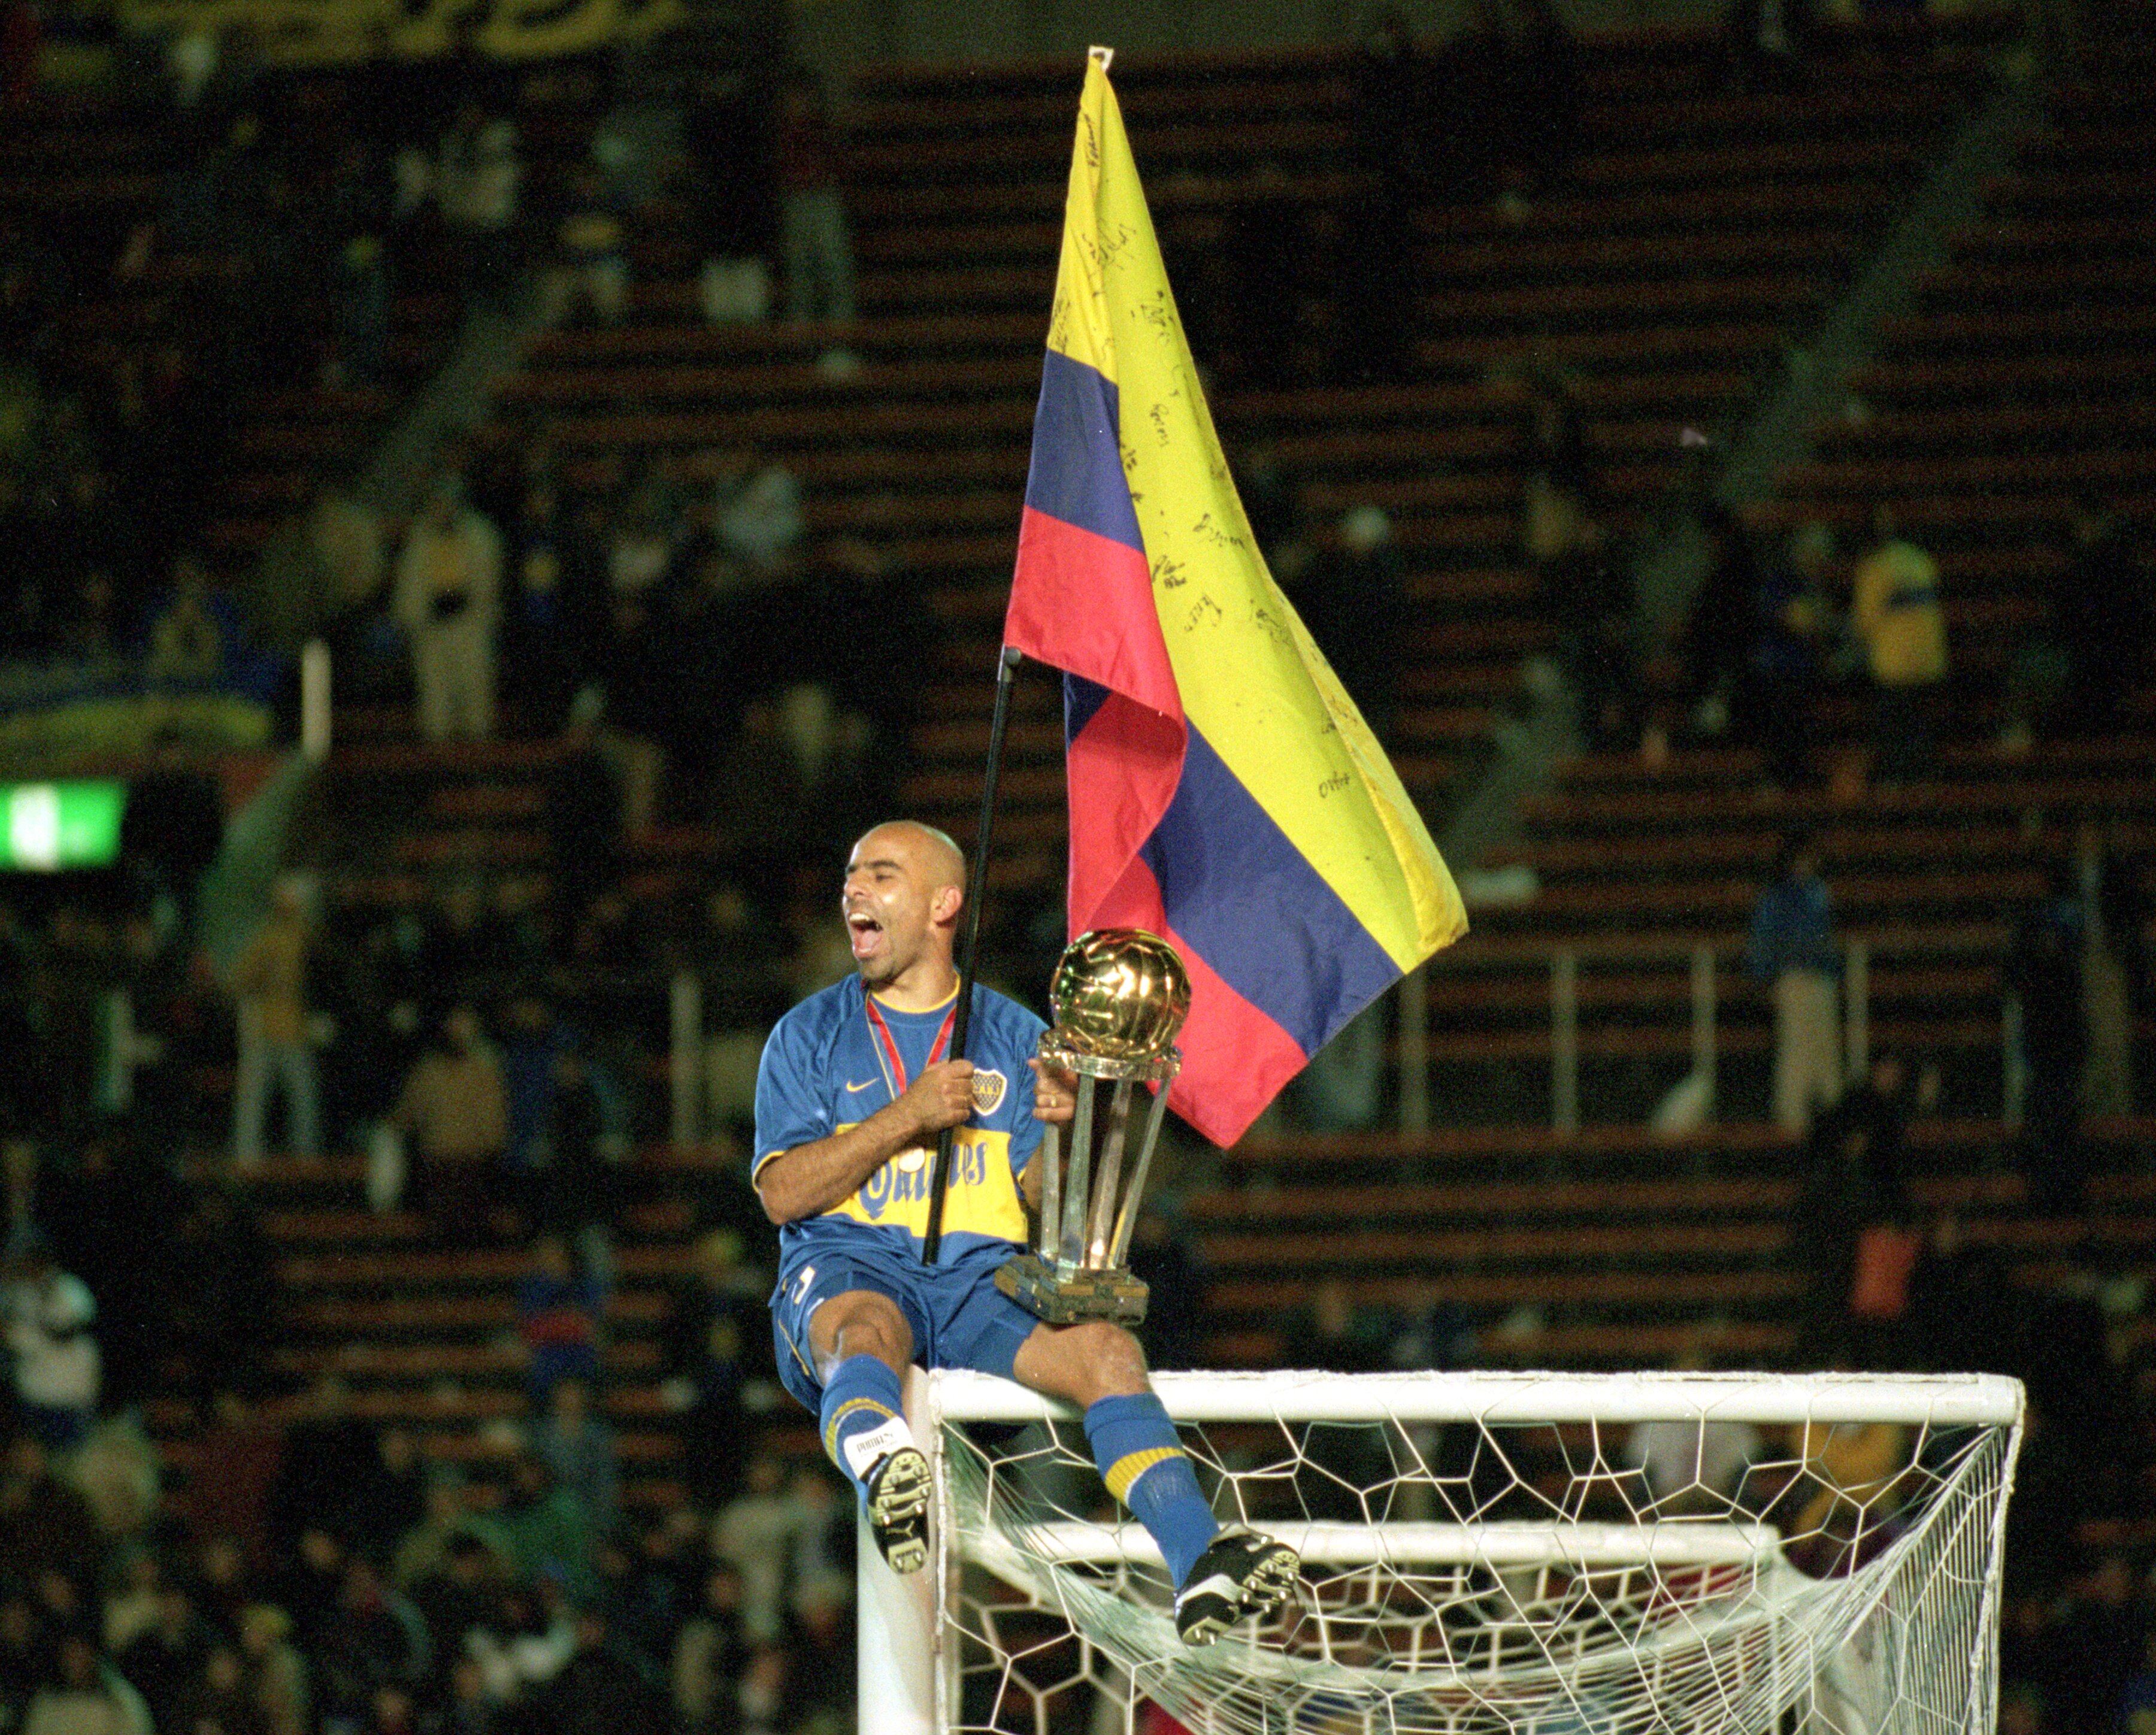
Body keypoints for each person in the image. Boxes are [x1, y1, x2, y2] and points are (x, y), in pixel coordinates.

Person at [753, 822, 1298, 1645]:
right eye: (852, 874)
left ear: (945, 904)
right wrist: (908, 1115)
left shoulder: (1014, 1033)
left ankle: (1197, 1556)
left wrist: (1064, 1126)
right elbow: (784, 1194)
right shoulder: (807, 1034)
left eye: (882, 874)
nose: (853, 890)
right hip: (851, 1264)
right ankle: (884, 1473)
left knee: (1107, 1350)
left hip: (979, 1286)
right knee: (867, 1327)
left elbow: (1042, 1199)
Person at [394, 476, 501, 742]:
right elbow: (410, 585)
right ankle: (438, 754)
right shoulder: (419, 539)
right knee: (435, 692)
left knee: (474, 688)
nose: (441, 509)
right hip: (432, 626)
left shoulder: (479, 535)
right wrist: (419, 614)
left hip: (469, 624)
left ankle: (479, 752)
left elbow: (488, 579)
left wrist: (470, 603)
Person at [1747, 834, 1842, 1134]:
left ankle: (1832, 1114)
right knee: (1796, 1049)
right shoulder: (1777, 898)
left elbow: (1827, 938)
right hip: (1793, 980)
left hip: (1820, 979)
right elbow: (1763, 939)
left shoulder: (1819, 893)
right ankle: (1793, 1118)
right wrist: (1765, 977)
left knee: (1825, 1049)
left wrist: (1833, 972)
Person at [1850, 508, 1946, 783]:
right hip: (1930, 661)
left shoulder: (1873, 567)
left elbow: (1864, 624)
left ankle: (1899, 790)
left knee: (1895, 737)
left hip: (1895, 666)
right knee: (1924, 733)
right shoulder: (1920, 559)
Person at [231, 877, 320, 1165]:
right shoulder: (295, 937)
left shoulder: (277, 937)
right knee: (298, 1100)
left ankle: (251, 1159)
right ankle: (303, 1159)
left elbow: (241, 979)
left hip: (279, 1028)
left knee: (264, 1101)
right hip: (285, 1028)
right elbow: (243, 978)